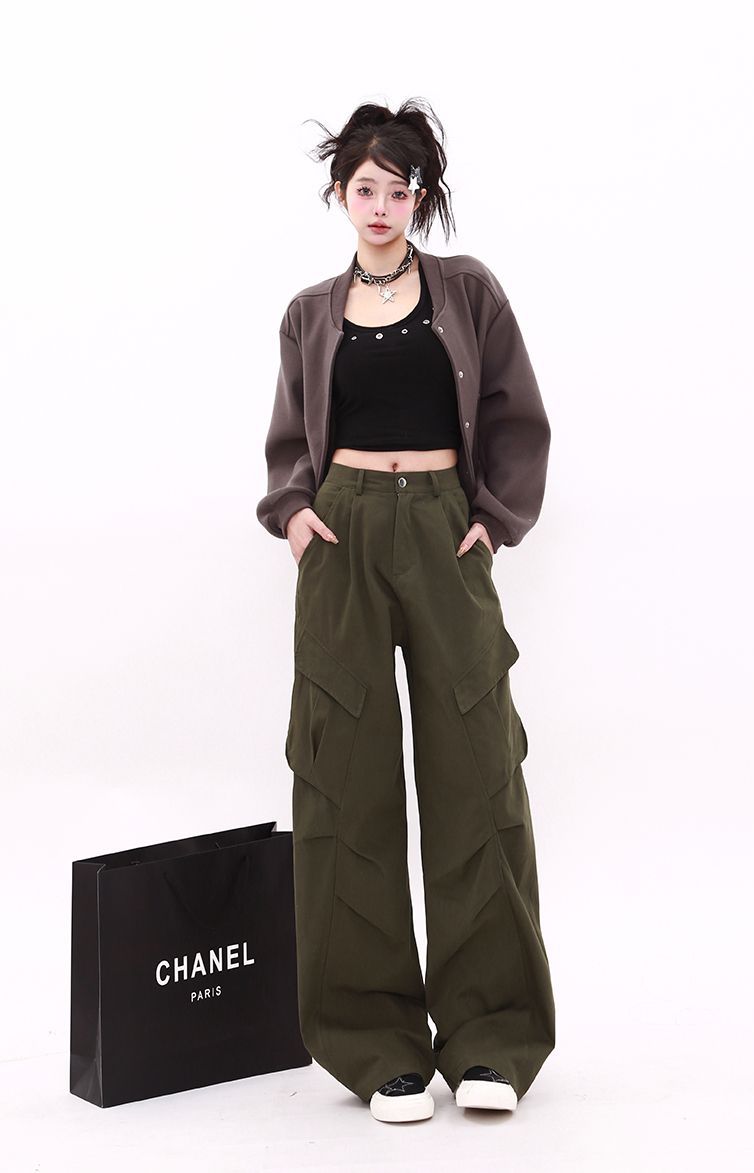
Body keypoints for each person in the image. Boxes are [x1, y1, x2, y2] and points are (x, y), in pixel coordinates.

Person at [256, 98, 556, 1124]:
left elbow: (515, 413)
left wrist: (493, 521)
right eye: (362, 188)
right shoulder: (309, 312)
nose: (379, 205)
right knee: (343, 779)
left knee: (478, 771)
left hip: (443, 529)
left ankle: (490, 1040)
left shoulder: (467, 292)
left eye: (396, 189)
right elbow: (288, 437)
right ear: (339, 195)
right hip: (340, 534)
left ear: (420, 196)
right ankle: (374, 1046)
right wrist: (295, 514)